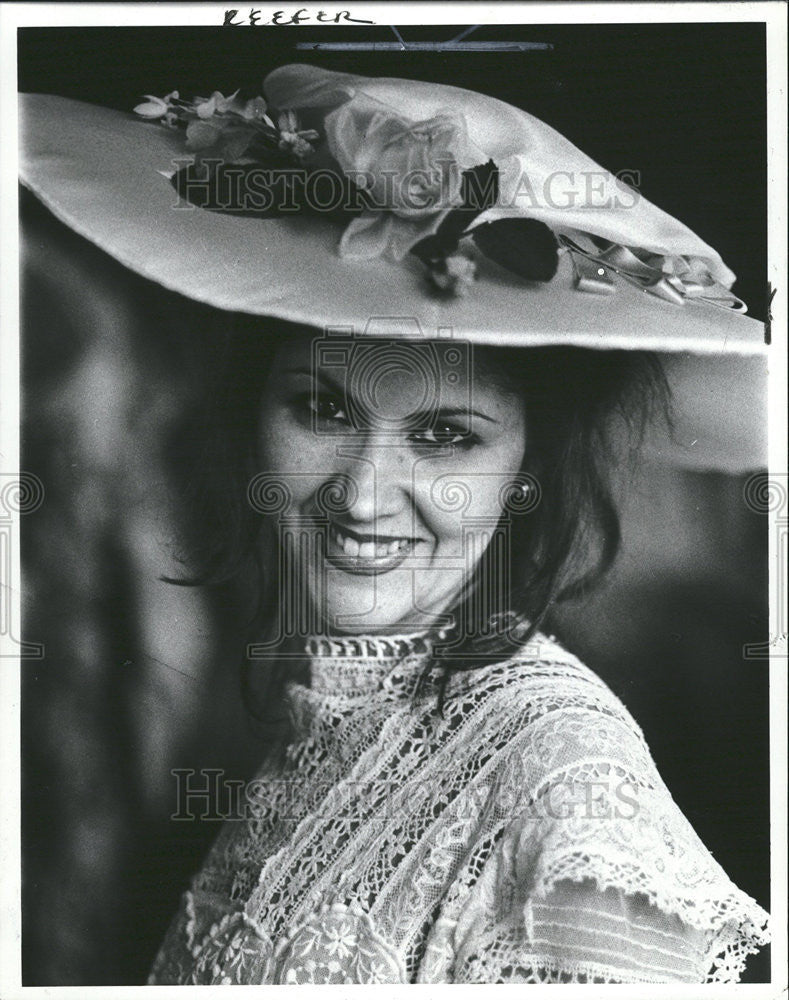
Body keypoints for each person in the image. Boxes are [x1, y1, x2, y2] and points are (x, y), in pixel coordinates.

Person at [19, 62, 770, 984]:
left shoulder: (564, 786)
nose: (366, 496)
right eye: (323, 411)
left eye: (446, 436)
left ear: (526, 471)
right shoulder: (321, 723)